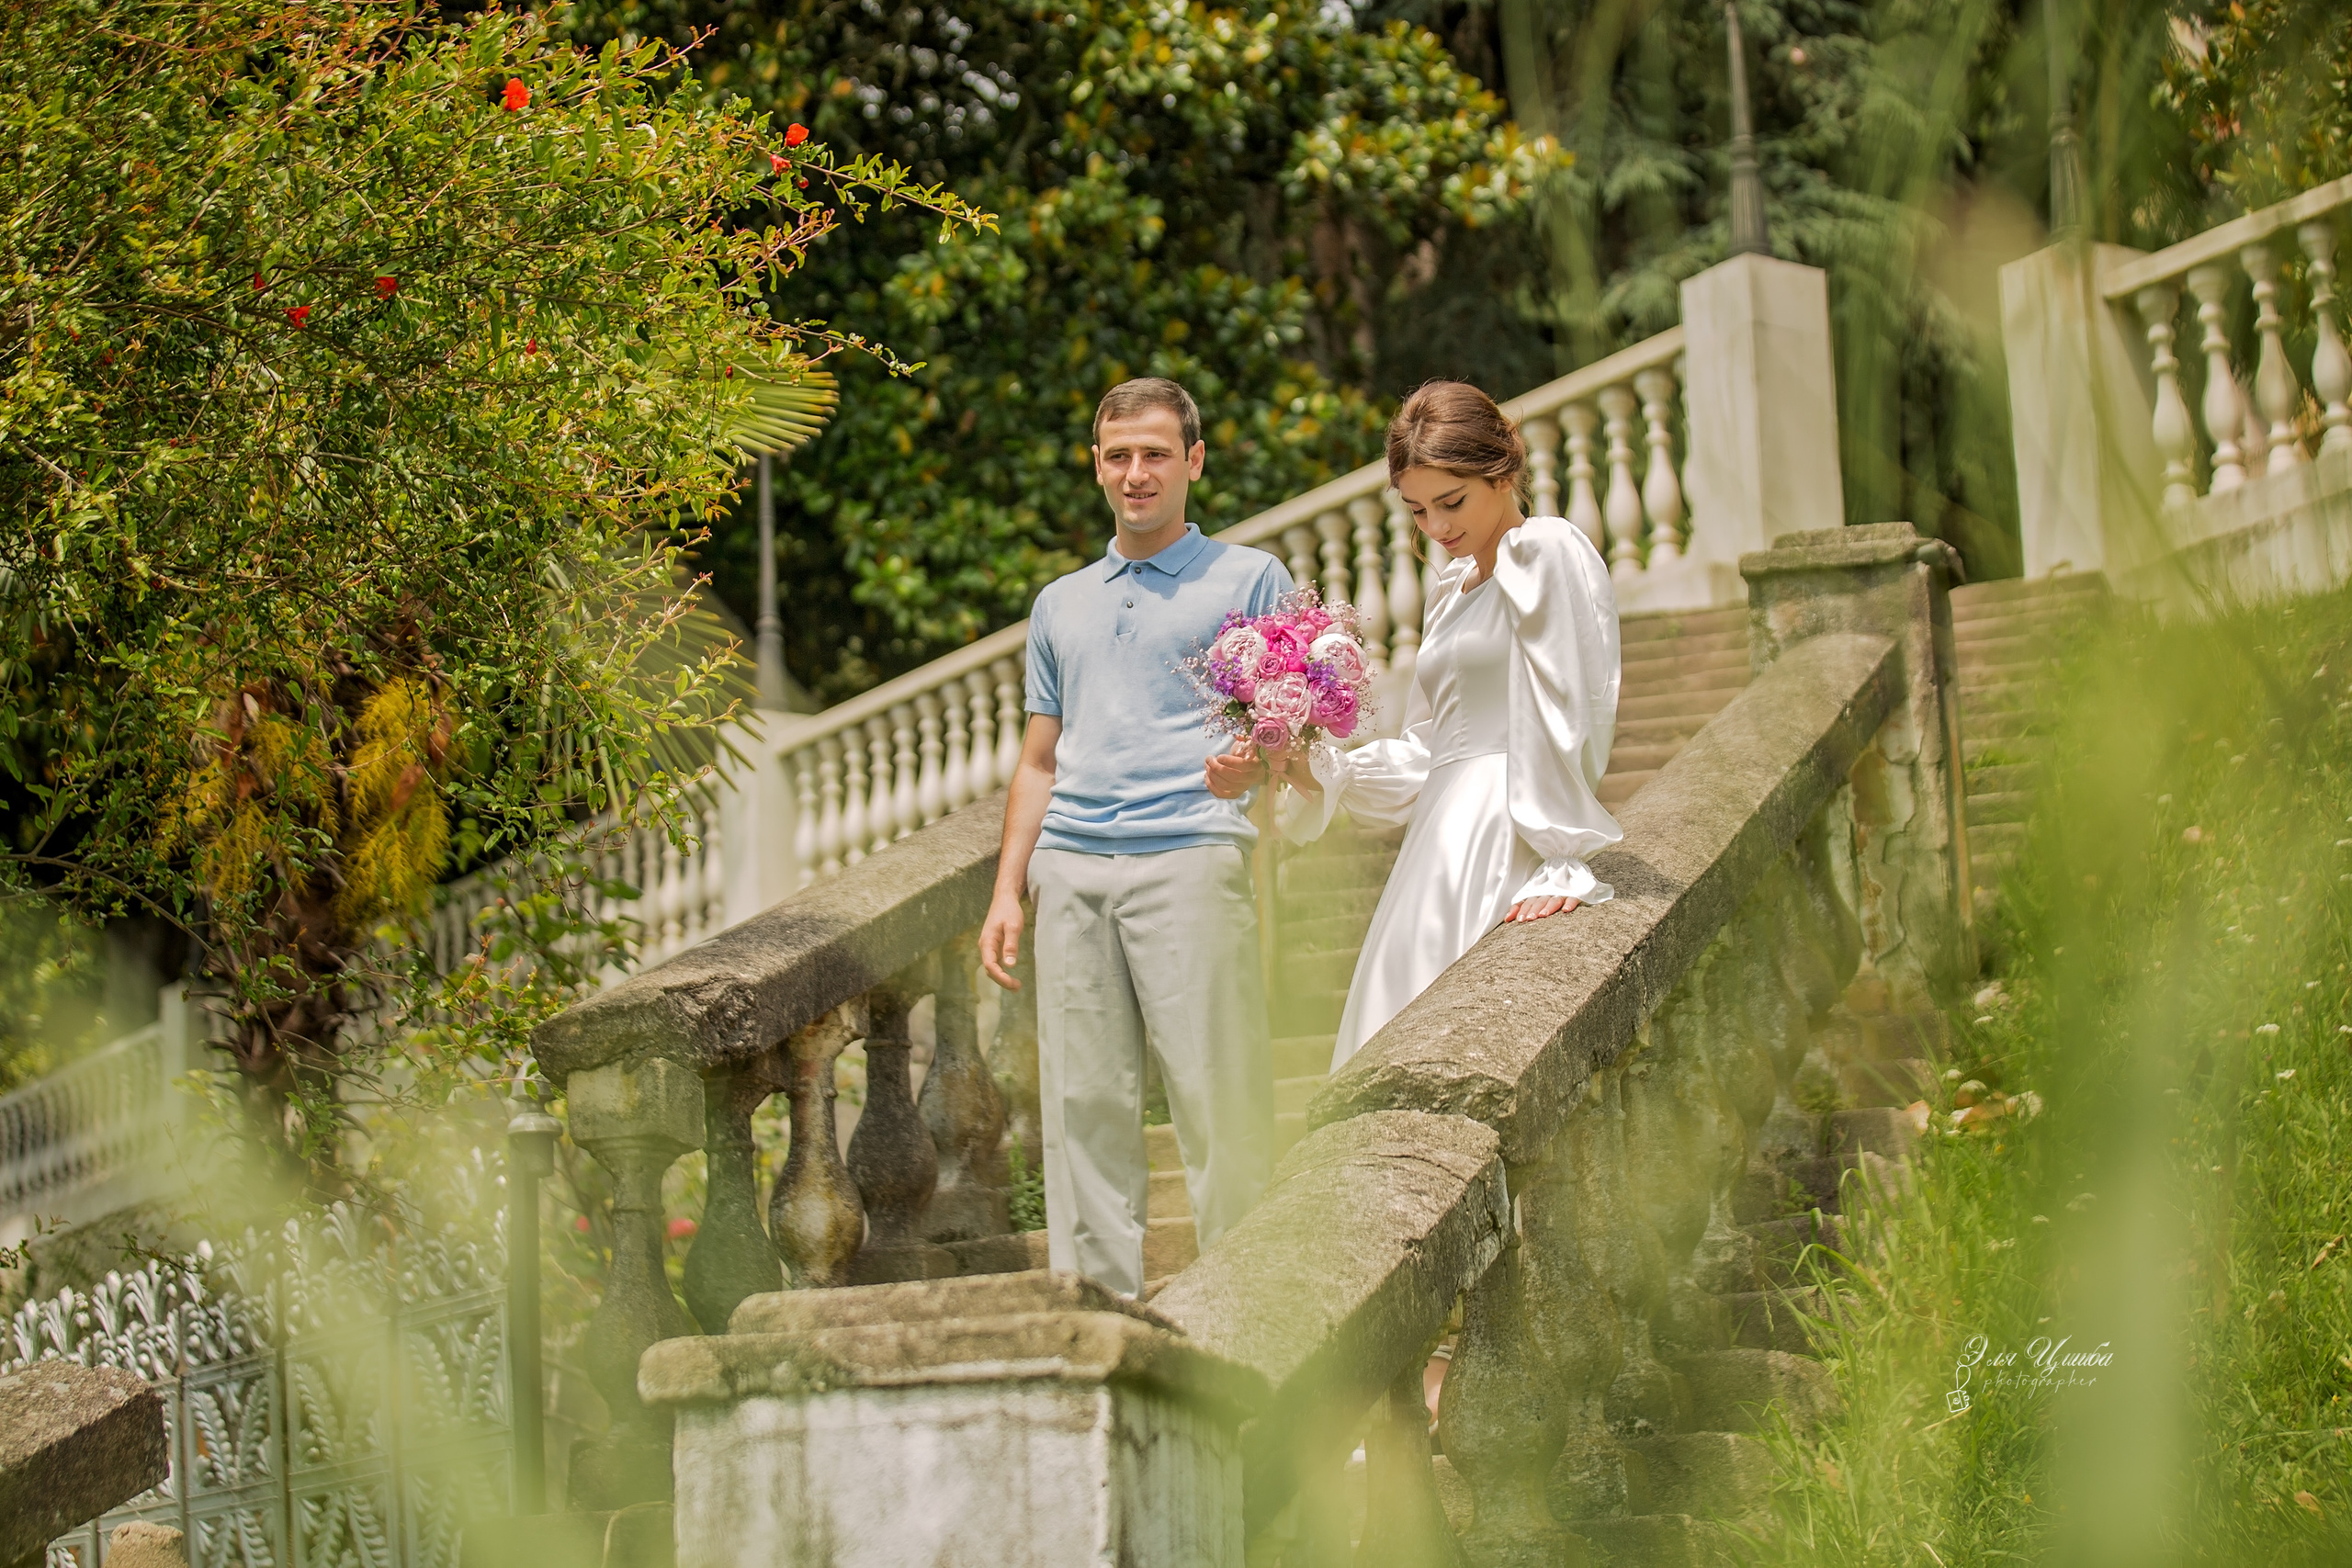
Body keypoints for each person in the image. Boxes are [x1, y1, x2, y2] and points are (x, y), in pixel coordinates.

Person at [978, 377, 1292, 1298]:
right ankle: (1100, 1331)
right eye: (1118, 454)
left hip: (1190, 853)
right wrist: (1008, 888)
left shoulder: (1248, 578)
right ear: (1096, 466)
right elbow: (1040, 759)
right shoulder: (1059, 603)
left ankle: (1245, 1316)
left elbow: (1287, 726)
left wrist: (1256, 764)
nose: (1136, 472)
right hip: (1070, 868)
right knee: (1082, 1109)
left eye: (1156, 452)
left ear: (1193, 461)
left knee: (1216, 1096)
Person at [1236, 380, 1623, 1071]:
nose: (1437, 528)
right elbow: (1431, 746)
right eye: (1417, 510)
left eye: (1452, 502)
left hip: (1507, 823)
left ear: (1502, 470)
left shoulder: (1546, 551)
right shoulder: (1451, 591)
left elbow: (1575, 703)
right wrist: (1332, 768)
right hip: (1436, 838)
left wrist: (1563, 851)